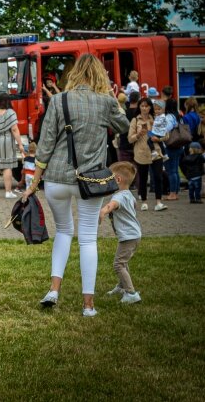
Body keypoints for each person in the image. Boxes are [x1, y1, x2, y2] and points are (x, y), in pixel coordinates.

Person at [22, 53, 129, 317]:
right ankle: (88, 305)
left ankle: (54, 289)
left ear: (74, 74)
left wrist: (34, 181)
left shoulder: (59, 100)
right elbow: (124, 126)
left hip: (57, 178)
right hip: (90, 180)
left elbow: (45, 144)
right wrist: (115, 99)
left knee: (63, 232)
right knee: (88, 239)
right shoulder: (106, 102)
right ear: (99, 75)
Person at [99, 161, 143, 304]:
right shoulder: (128, 194)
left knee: (118, 264)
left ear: (117, 180)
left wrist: (103, 211)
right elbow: (133, 207)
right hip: (133, 235)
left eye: (109, 179)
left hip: (129, 236)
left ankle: (131, 293)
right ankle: (122, 286)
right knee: (123, 262)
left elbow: (112, 205)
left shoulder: (118, 197)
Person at [128, 98, 167, 212]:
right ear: (139, 107)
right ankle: (144, 201)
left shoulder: (156, 118)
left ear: (150, 107)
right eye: (142, 106)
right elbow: (130, 139)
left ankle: (159, 202)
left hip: (156, 151)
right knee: (143, 178)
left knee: (158, 177)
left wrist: (158, 138)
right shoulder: (135, 120)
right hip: (141, 153)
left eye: (147, 106)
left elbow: (166, 135)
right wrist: (138, 134)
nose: (144, 108)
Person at [0, 93, 25, 198]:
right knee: (7, 166)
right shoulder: (10, 113)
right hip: (6, 140)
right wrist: (20, 144)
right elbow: (14, 129)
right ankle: (8, 192)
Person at [162, 98, 184, 201]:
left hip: (171, 146)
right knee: (175, 170)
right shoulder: (179, 115)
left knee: (171, 171)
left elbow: (166, 129)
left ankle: (172, 193)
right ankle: (176, 191)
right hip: (179, 145)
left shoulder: (169, 117)